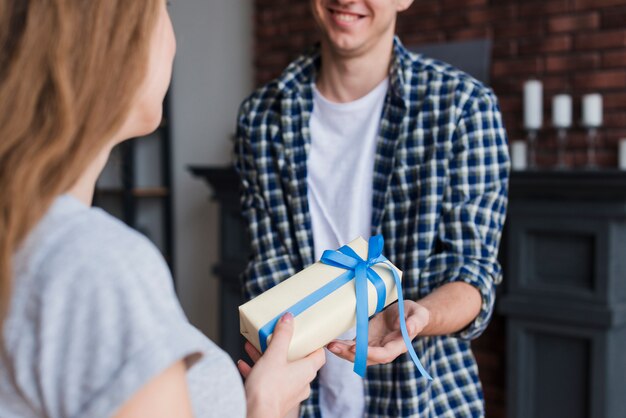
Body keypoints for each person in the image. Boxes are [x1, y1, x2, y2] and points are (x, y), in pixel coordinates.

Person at [0, 1, 325, 418]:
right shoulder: (96, 264)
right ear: (114, 46)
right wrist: (266, 406)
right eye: (162, 9)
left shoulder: (32, 237)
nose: (174, 40)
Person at [234, 0, 510, 416]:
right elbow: (269, 268)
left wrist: (416, 318)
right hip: (306, 403)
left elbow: (473, 273)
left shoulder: (464, 107)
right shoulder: (262, 118)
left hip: (424, 402)